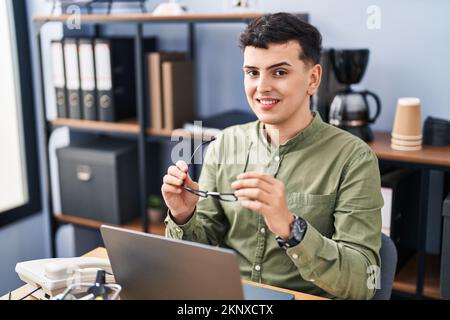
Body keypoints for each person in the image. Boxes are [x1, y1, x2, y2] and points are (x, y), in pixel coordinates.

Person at [162, 12, 383, 300]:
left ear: (313, 79)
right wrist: (183, 214)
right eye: (253, 72)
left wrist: (292, 229)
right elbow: (202, 246)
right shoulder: (224, 144)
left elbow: (363, 284)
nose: (262, 87)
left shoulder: (354, 159)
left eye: (279, 72)